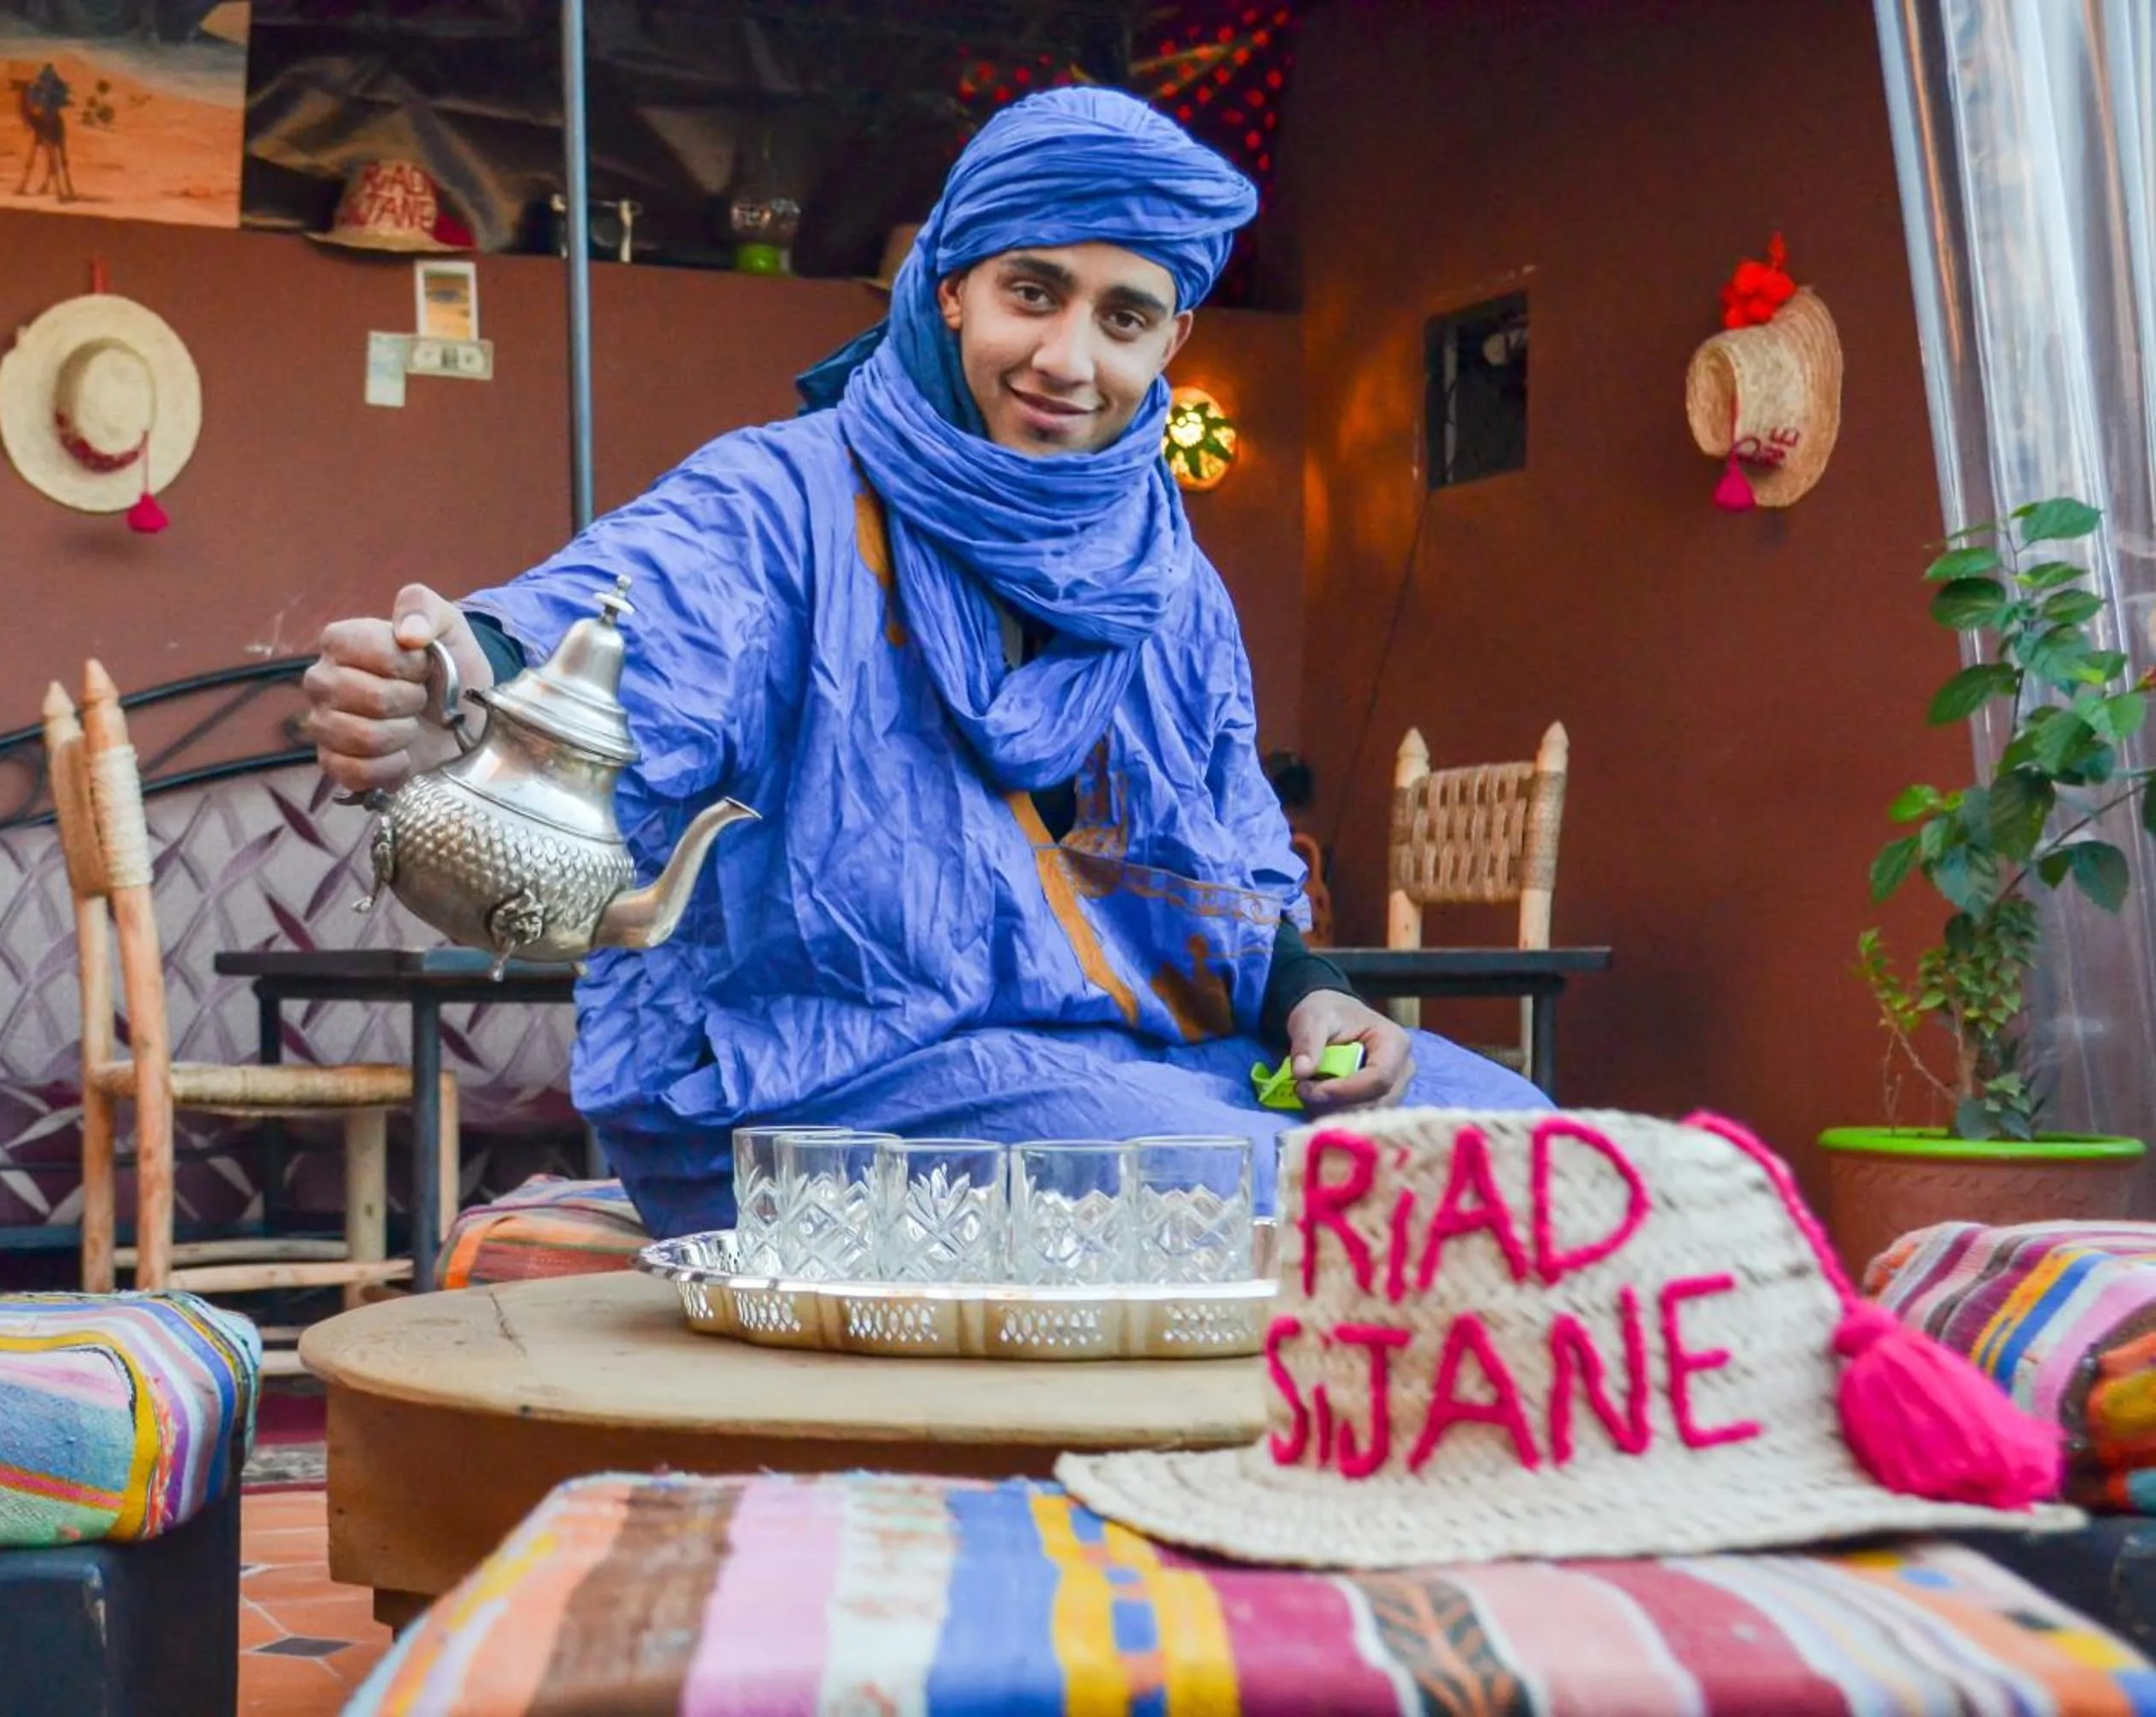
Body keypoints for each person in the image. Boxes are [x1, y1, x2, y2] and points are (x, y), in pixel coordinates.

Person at [306, 88, 1546, 1239]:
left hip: (1131, 1065)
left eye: (1124, 317)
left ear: (1174, 338)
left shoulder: (1170, 578)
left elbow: (1219, 851)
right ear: (950, 285)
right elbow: (622, 621)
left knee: (1533, 1156)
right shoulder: (785, 498)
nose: (1069, 358)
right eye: (1033, 291)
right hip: (818, 1083)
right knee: (1276, 1197)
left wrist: (1313, 1002)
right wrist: (456, 689)